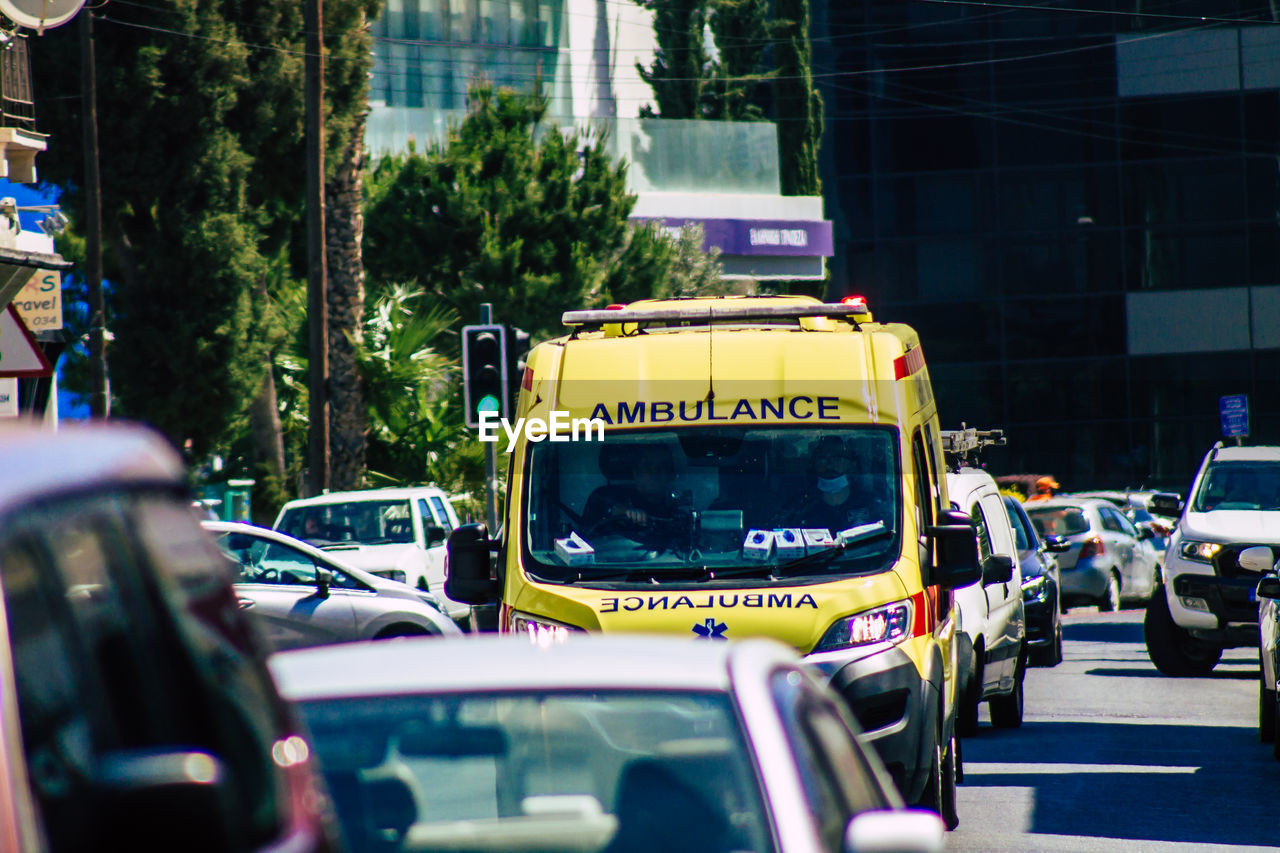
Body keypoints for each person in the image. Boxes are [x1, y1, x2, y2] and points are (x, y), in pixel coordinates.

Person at [584, 445, 688, 546]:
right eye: (647, 466)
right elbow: (599, 510)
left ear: (669, 475)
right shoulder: (606, 496)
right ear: (636, 473)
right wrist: (621, 511)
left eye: (662, 467)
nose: (654, 472)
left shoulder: (675, 512)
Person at [796, 436, 888, 533]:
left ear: (850, 464)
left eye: (837, 459)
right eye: (822, 459)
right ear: (814, 464)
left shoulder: (870, 505)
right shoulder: (803, 510)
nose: (829, 465)